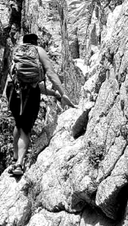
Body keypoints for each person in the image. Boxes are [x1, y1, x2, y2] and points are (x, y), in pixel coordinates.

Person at [5, 33, 76, 176]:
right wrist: (63, 93)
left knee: (18, 123)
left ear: (24, 42)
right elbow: (50, 73)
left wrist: (7, 99)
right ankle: (19, 164)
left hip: (13, 90)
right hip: (30, 93)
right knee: (26, 128)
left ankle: (14, 158)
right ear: (36, 42)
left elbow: (10, 76)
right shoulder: (39, 51)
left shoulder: (17, 52)